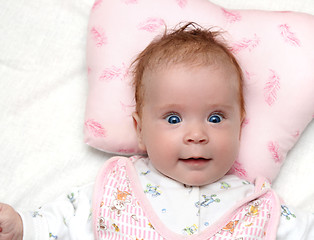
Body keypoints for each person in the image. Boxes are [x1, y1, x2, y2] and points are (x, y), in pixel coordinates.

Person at [0, 23, 313, 240]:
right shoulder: (118, 189)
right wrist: (22, 225)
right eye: (174, 119)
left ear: (241, 125)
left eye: (216, 118)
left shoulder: (256, 205)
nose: (196, 135)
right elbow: (59, 222)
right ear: (140, 130)